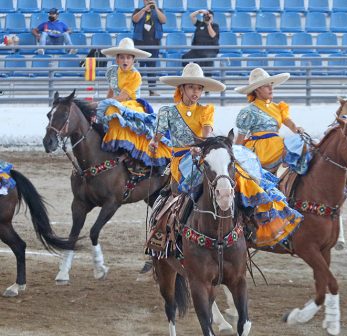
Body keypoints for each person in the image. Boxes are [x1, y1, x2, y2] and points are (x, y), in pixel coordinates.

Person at [148, 63, 302, 247]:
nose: (195, 92)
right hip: (181, 160)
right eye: (191, 87)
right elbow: (156, 137)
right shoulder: (168, 112)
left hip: (201, 153)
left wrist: (202, 146)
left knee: (233, 175)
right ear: (181, 88)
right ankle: (174, 231)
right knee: (194, 187)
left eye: (199, 88)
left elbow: (206, 131)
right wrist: (154, 142)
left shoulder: (206, 110)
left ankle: (247, 220)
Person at [96, 38, 171, 170]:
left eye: (128, 58)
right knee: (106, 112)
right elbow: (111, 90)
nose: (125, 61)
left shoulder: (136, 75)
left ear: (133, 60)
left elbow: (123, 96)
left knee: (114, 111)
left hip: (131, 104)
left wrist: (104, 103)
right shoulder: (112, 71)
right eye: (122, 57)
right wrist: (101, 106)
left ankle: (129, 152)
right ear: (117, 59)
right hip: (115, 101)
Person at [233, 68, 305, 173]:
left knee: (303, 144)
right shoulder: (248, 111)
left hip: (277, 144)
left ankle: (286, 177)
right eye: (266, 86)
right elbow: (240, 137)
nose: (271, 88)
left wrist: (297, 128)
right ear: (257, 90)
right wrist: (235, 154)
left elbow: (289, 122)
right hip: (260, 149)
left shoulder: (278, 107)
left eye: (271, 84)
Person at [132, 0, 167, 96]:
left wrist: (155, 8)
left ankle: (152, 90)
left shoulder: (159, 10)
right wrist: (144, 10)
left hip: (154, 43)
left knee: (152, 68)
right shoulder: (138, 10)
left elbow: (163, 20)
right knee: (139, 68)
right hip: (140, 43)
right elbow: (135, 19)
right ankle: (134, 89)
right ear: (144, 1)